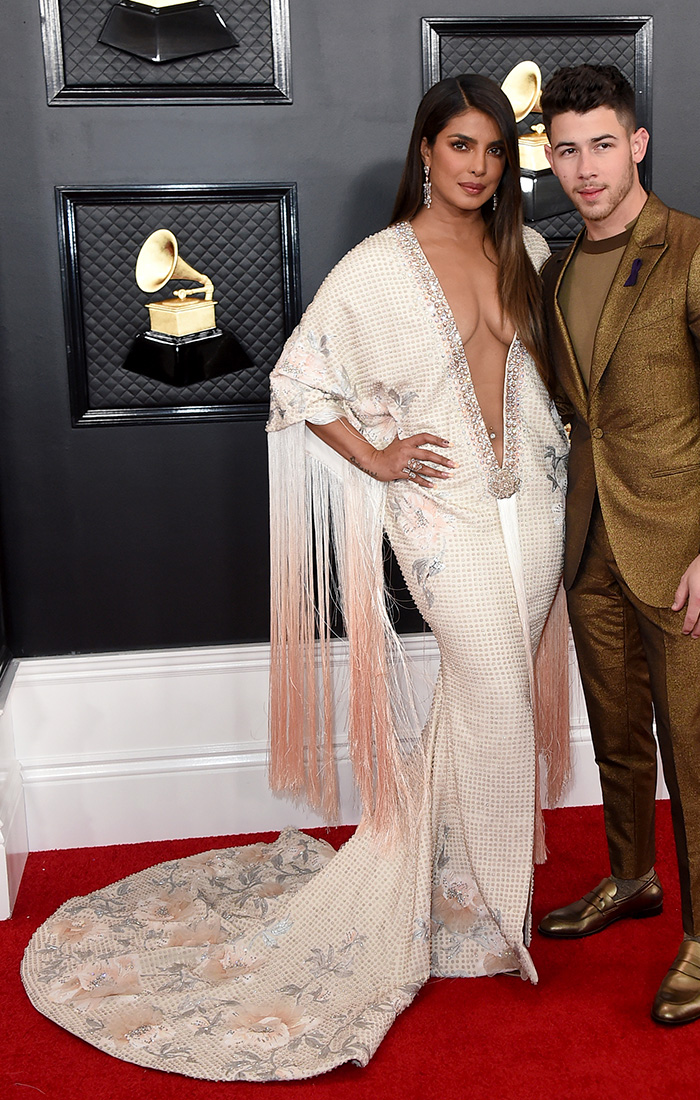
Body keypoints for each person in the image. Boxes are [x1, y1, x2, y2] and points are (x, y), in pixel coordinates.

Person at [21, 75, 571, 1081]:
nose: (478, 166)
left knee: (478, 695)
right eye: (459, 144)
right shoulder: (375, 267)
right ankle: (495, 912)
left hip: (530, 502)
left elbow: (543, 381)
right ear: (424, 150)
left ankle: (453, 889)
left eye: (493, 149)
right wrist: (372, 456)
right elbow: (297, 379)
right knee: (490, 684)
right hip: (439, 513)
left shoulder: (525, 251)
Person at [535, 63, 700, 1025]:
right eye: (566, 148)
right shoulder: (555, 269)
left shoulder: (698, 250)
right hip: (586, 538)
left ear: (636, 144)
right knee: (615, 733)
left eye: (602, 143)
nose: (586, 167)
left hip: (680, 549)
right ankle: (629, 876)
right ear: (548, 159)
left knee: (690, 740)